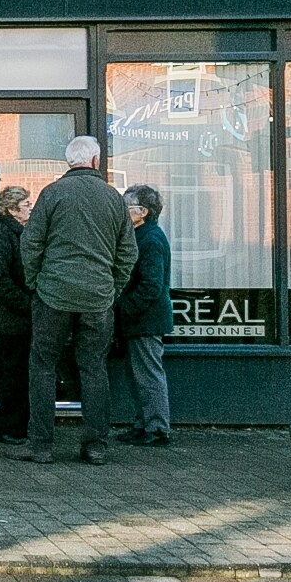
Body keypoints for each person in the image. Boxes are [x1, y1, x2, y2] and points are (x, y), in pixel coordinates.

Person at [15, 135, 136, 465]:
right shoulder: (113, 198)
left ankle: (40, 444)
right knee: (94, 368)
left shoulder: (52, 194)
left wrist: (35, 283)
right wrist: (113, 287)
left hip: (53, 294)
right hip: (98, 297)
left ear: (70, 163)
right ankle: (95, 446)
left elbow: (31, 244)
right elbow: (128, 252)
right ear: (96, 161)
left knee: (43, 365)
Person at [113, 184, 173, 447]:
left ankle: (157, 428)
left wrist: (123, 308)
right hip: (138, 321)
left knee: (148, 375)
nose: (122, 212)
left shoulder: (150, 240)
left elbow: (151, 286)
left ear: (143, 212)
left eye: (127, 207)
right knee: (139, 375)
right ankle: (143, 423)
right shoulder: (141, 236)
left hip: (145, 321)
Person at [0, 185, 35, 444]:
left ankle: (15, 427)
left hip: (16, 317)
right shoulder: (4, 234)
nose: (30, 208)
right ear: (12, 209)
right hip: (12, 319)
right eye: (26, 204)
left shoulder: (14, 232)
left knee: (19, 373)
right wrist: (27, 304)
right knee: (15, 375)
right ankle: (7, 429)